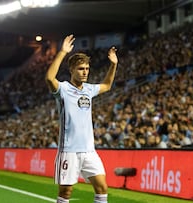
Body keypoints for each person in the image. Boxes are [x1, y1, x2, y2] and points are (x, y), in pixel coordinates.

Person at [45, 34, 118, 203]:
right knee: (66, 193)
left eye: (87, 69)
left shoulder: (89, 89)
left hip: (89, 150)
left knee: (102, 188)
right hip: (69, 150)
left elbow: (107, 85)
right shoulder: (63, 89)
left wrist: (113, 65)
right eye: (81, 69)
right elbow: (49, 78)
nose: (85, 72)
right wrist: (62, 52)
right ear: (71, 70)